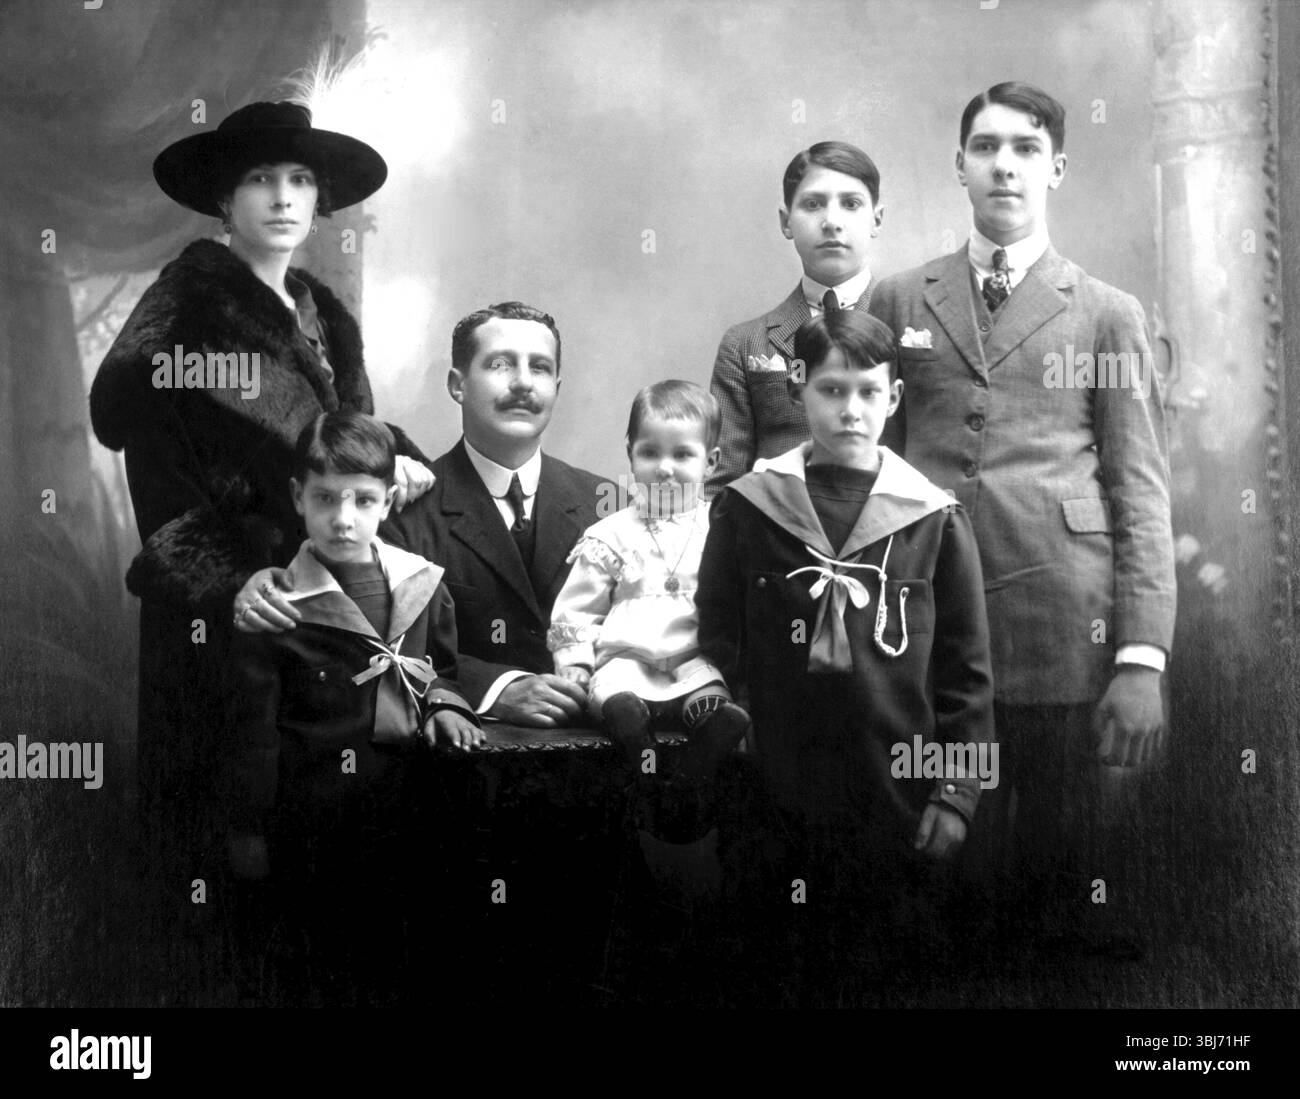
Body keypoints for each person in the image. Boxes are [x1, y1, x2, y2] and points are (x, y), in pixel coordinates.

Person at [867, 82, 1176, 953]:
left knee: (1057, 896)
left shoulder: (1107, 313)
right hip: (927, 630)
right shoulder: (897, 301)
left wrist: (1141, 657)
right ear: (958, 164)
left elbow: (1140, 489)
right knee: (936, 894)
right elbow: (859, 474)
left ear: (1057, 168)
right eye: (987, 146)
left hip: (1062, 634)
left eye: (1027, 147)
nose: (1006, 164)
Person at [697, 309, 994, 1004]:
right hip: (771, 793)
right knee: (773, 970)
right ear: (799, 389)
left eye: (867, 392)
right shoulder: (748, 509)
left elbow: (967, 672)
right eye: (831, 390)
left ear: (893, 399)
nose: (850, 409)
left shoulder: (933, 518)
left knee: (886, 972)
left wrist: (958, 793)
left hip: (895, 793)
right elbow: (717, 637)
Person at [226, 411, 477, 1004]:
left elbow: (443, 668)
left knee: (403, 958)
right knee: (321, 966)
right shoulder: (278, 605)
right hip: (313, 825)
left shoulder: (422, 584)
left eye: (363, 500)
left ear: (388, 502)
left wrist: (445, 707)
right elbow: (254, 731)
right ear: (297, 498)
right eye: (325, 498)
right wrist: (248, 829)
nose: (343, 518)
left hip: (409, 810)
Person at [548, 380, 750, 840]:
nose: (664, 469)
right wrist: (575, 662)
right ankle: (641, 754)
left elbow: (737, 602)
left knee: (709, 690)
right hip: (629, 659)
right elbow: (577, 609)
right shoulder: (612, 533)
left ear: (711, 462)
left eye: (682, 455)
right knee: (614, 692)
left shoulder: (721, 529)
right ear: (629, 454)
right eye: (649, 453)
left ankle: (698, 763)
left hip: (692, 658)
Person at [707, 141, 884, 494]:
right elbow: (721, 481)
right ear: (786, 221)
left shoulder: (901, 321)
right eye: (813, 204)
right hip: (775, 535)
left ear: (877, 219)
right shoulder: (745, 344)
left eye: (851, 204)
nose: (832, 222)